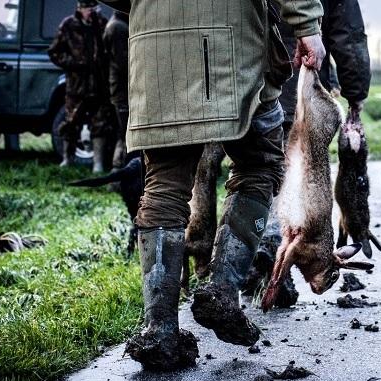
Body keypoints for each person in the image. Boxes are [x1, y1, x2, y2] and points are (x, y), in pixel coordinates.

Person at [97, 0, 325, 370]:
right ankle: (221, 288)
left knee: (163, 187)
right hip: (231, 49)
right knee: (260, 164)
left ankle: (160, 329)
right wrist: (308, 26)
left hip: (155, 53)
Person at [244, 0, 371, 308]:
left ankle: (248, 259)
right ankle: (273, 251)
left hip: (247, 79)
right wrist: (355, 98)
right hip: (297, 82)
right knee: (293, 179)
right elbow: (348, 35)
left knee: (252, 171)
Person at [48, 0, 113, 173]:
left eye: (94, 8)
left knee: (100, 123)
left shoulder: (102, 23)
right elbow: (54, 52)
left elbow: (110, 49)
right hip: (77, 85)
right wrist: (74, 63)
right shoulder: (69, 25)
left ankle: (97, 164)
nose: (91, 12)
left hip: (99, 84)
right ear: (80, 9)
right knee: (70, 122)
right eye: (88, 9)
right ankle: (66, 159)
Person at [102, 10, 130, 170]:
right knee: (124, 133)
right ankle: (118, 171)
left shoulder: (118, 24)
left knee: (124, 133)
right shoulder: (117, 27)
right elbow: (123, 62)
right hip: (122, 89)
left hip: (121, 88)